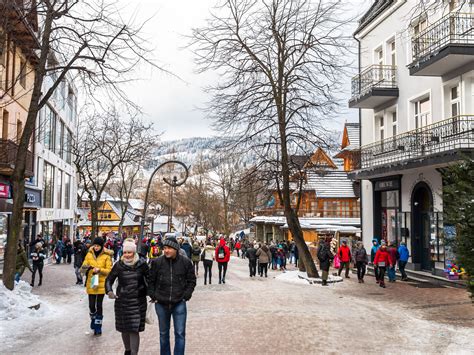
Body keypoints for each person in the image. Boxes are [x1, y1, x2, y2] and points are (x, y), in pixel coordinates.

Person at [148, 236, 197, 355]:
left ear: (176, 249)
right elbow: (150, 281)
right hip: (161, 303)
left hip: (179, 302)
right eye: (165, 248)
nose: (166, 250)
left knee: (180, 333)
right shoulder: (157, 262)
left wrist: (186, 295)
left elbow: (192, 280)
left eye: (169, 248)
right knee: (163, 334)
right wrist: (153, 295)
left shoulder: (185, 262)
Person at [106, 239, 149, 355]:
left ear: (134, 253)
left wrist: (151, 292)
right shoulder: (118, 265)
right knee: (124, 328)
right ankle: (127, 351)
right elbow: (109, 279)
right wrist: (109, 291)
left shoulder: (142, 264)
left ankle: (134, 353)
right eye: (125, 252)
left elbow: (150, 279)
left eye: (129, 252)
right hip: (122, 302)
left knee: (134, 329)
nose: (127, 255)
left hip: (138, 301)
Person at [81, 237, 113, 336]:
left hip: (101, 284)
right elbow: (83, 267)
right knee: (91, 305)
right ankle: (93, 319)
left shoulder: (107, 256)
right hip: (92, 283)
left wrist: (99, 270)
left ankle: (98, 326)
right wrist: (86, 268)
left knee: (99, 305)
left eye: (98, 246)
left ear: (101, 246)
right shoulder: (89, 254)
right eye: (94, 245)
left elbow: (109, 270)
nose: (96, 247)